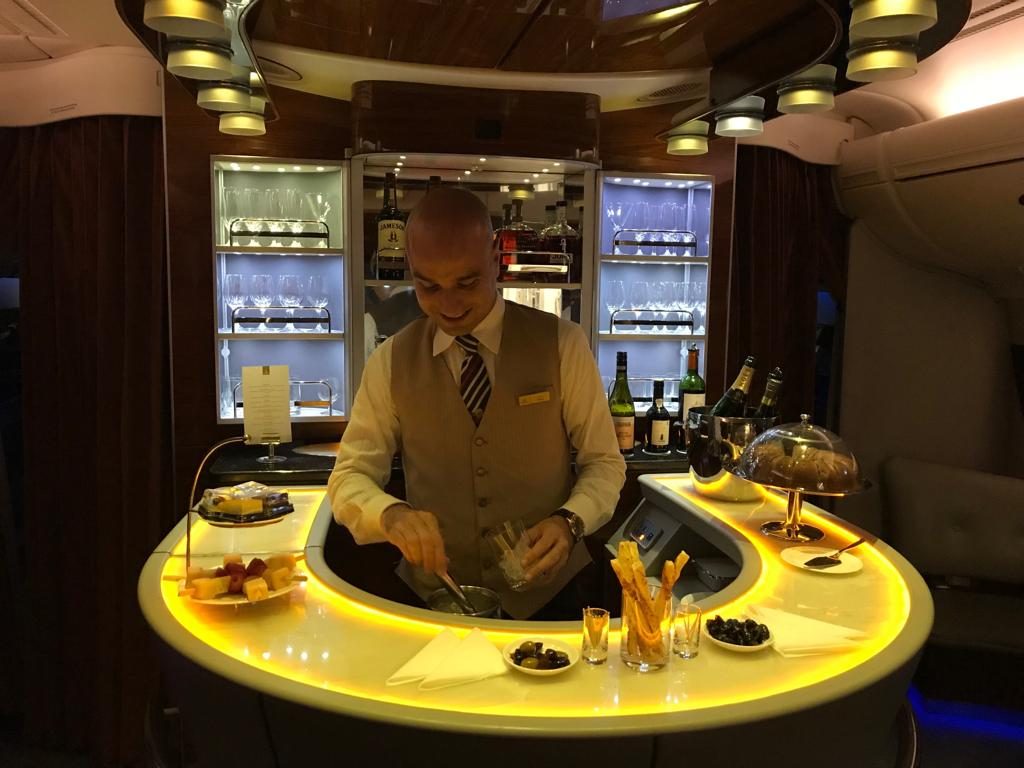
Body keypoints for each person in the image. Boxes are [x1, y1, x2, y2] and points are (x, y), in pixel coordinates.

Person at [328, 187, 625, 619]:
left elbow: (605, 463)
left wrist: (570, 521)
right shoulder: (390, 360)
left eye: (466, 283)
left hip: (550, 598)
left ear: (495, 256)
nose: (448, 305)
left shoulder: (564, 344)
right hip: (438, 600)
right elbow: (349, 476)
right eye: (429, 286)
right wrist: (390, 515)